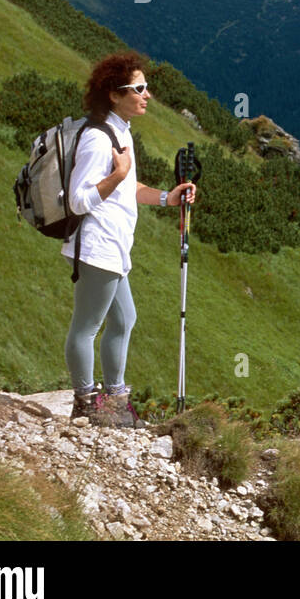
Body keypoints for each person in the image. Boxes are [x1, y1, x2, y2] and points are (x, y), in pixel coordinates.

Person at [62, 51, 198, 426]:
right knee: (86, 326)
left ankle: (114, 402)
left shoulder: (120, 132)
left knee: (124, 321)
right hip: (97, 246)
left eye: (146, 87)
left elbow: (127, 187)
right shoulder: (95, 138)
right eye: (138, 88)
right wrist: (117, 176)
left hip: (115, 247)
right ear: (114, 94)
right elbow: (78, 200)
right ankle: (88, 404)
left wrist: (166, 197)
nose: (147, 94)